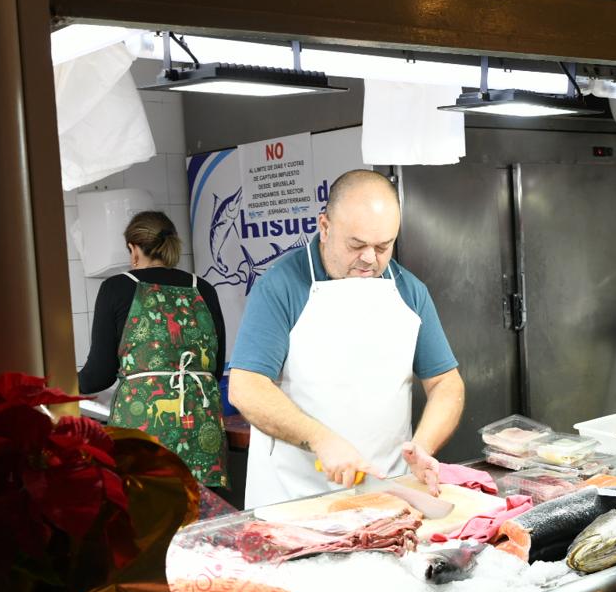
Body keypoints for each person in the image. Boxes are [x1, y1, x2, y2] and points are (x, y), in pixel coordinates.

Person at [228, 169, 464, 508]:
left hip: (386, 496)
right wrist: (319, 438)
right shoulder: (280, 288)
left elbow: (446, 382)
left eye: (384, 246)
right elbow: (246, 386)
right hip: (294, 501)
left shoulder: (410, 291)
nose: (370, 259)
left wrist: (423, 445)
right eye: (357, 245)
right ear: (324, 227)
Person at [79, 211, 229, 489]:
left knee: (149, 518)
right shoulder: (204, 289)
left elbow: (98, 375)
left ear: (133, 249)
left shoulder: (116, 287)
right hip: (200, 424)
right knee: (204, 519)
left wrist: (66, 385)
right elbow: (215, 368)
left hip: (144, 430)